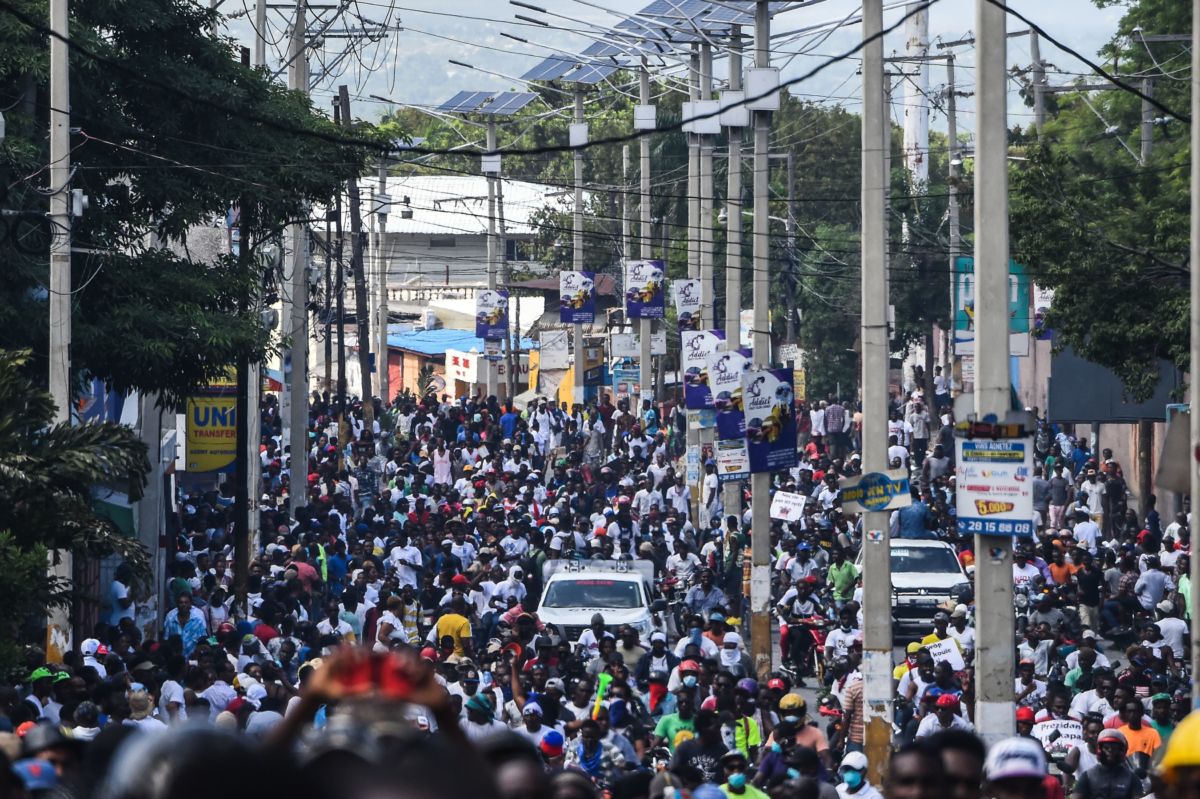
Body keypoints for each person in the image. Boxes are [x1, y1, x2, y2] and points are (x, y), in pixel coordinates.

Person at [1072, 729, 1140, 799]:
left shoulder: (1131, 778)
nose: (1110, 751)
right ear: (1099, 750)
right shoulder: (1088, 776)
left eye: (1114, 748)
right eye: (1106, 748)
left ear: (1121, 750)